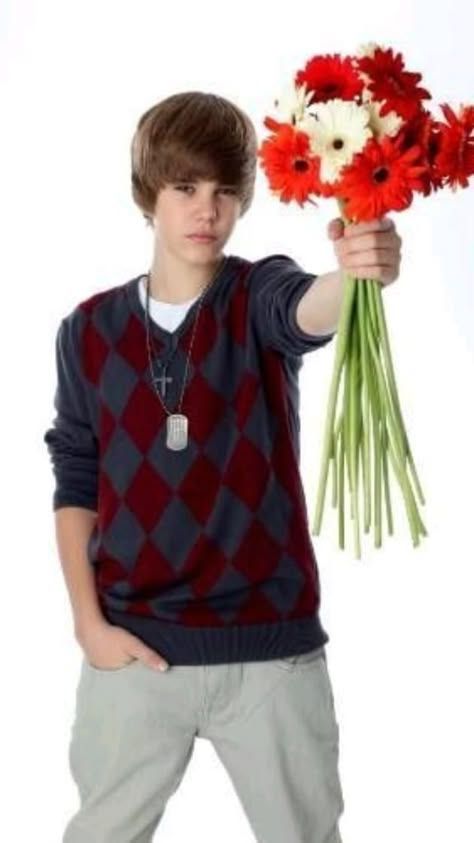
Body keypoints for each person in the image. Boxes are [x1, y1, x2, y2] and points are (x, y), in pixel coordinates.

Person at [43, 90, 401, 843]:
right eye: (184, 189)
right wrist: (88, 625)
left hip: (269, 651)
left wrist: (358, 274)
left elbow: (306, 309)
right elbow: (77, 476)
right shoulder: (89, 332)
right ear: (150, 194)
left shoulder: (255, 294)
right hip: (136, 651)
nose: (206, 210)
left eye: (224, 191)